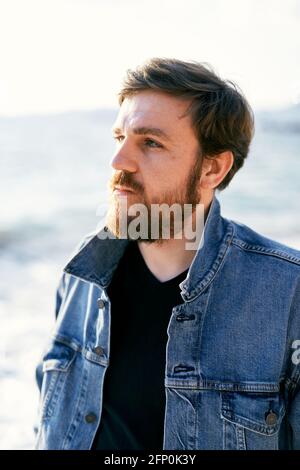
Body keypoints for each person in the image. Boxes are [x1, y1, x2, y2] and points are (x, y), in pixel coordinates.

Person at [34, 58, 300, 450]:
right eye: (118, 137)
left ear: (213, 169)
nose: (118, 161)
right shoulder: (82, 275)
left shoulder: (288, 293)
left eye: (151, 143)